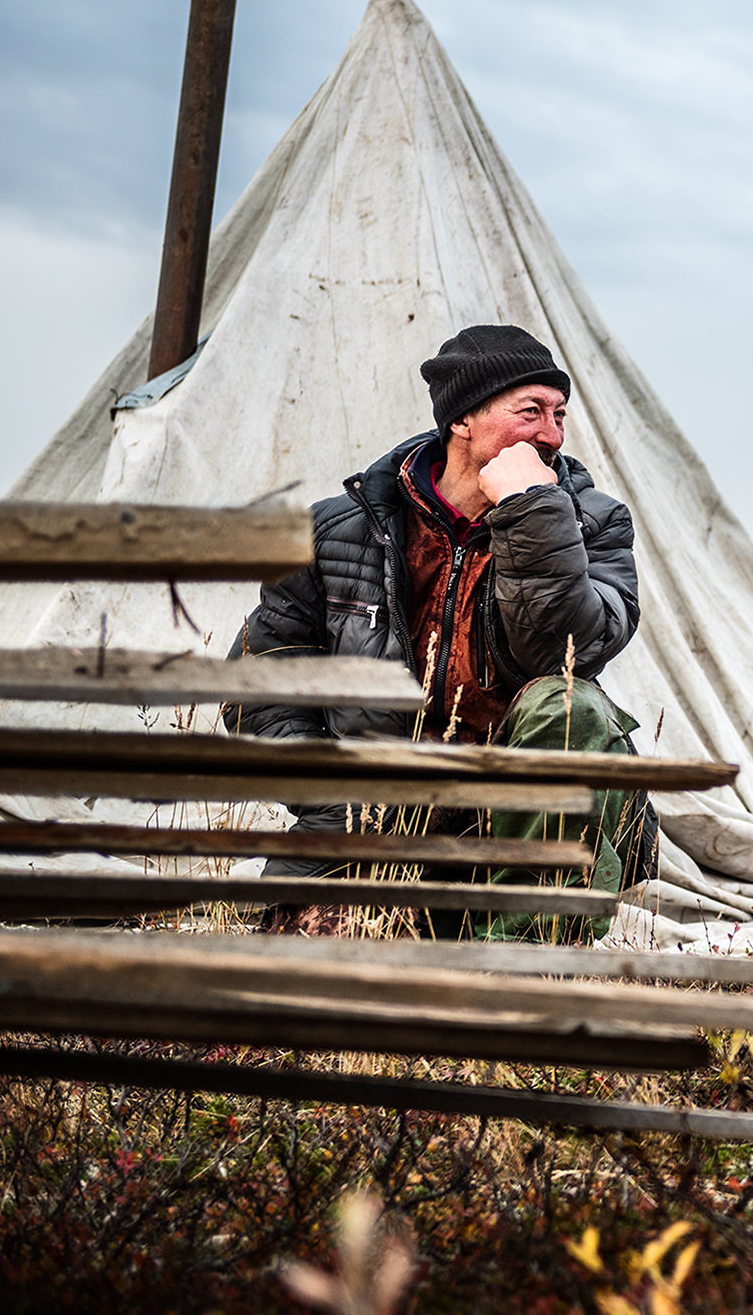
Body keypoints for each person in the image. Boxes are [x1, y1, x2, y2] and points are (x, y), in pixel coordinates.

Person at [226, 323, 657, 938]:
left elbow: (562, 651)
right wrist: (337, 798)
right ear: (461, 420)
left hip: (512, 828)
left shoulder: (592, 525)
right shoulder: (336, 530)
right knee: (302, 1008)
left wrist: (530, 512)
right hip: (376, 830)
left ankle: (521, 970)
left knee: (568, 705)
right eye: (530, 411)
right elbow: (258, 681)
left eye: (559, 414)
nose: (552, 434)